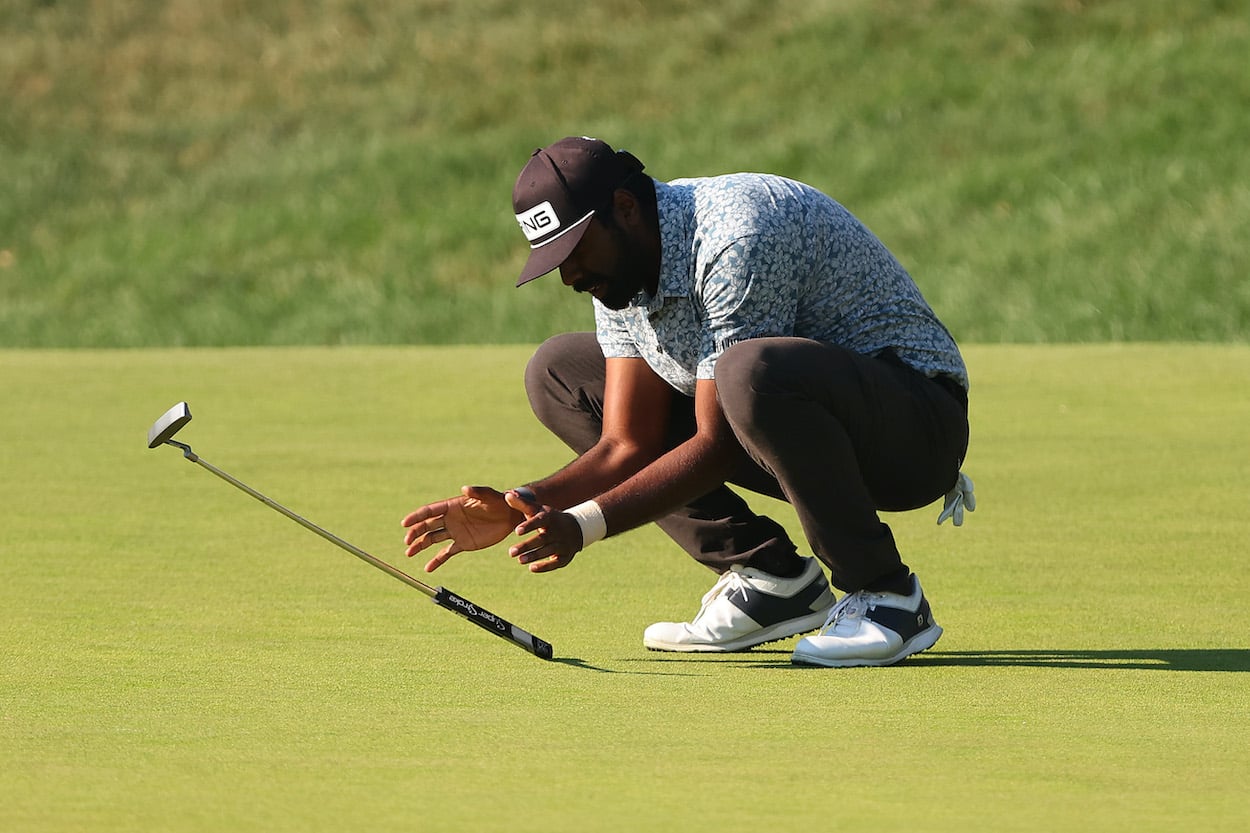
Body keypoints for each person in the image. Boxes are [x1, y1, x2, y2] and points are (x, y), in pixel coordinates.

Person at [402, 136, 974, 667]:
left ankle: (888, 594)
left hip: (914, 431)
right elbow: (629, 443)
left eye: (575, 248)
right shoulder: (619, 272)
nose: (570, 275)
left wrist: (583, 525)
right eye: (555, 258)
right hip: (795, 434)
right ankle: (771, 578)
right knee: (560, 372)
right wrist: (522, 501)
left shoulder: (735, 236)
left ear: (625, 207)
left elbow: (719, 442)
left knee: (747, 371)